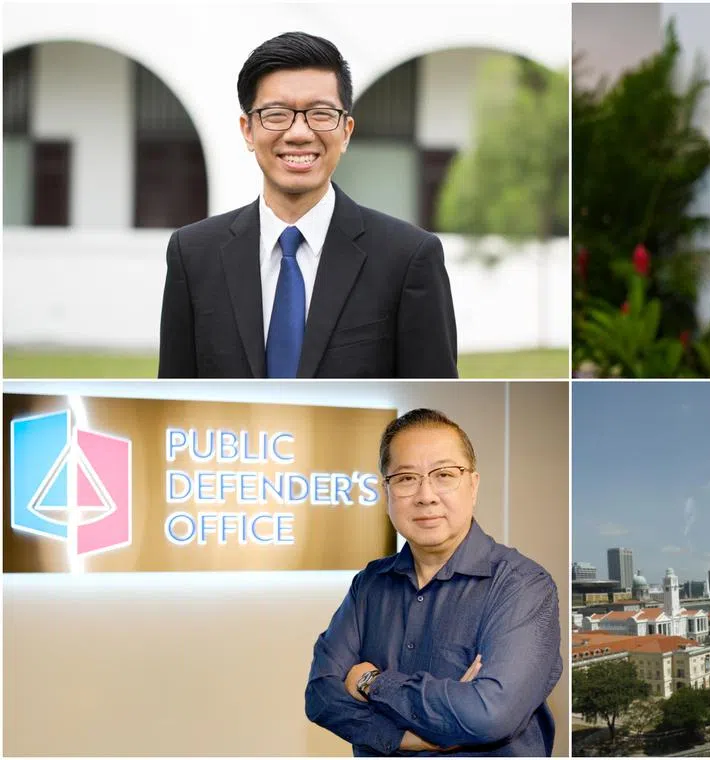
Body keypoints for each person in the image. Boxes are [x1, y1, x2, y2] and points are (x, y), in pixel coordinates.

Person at [158, 32, 458, 378]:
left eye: (320, 113)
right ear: (247, 131)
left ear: (346, 131)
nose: (299, 133)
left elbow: (433, 412)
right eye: (276, 114)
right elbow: (172, 401)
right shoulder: (193, 255)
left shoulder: (408, 258)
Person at [304, 409, 562, 756]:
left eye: (444, 474)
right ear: (387, 491)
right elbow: (320, 695)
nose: (426, 495)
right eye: (406, 478)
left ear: (473, 485)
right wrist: (409, 738)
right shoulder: (370, 585)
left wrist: (372, 681)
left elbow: (489, 715)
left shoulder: (522, 586)